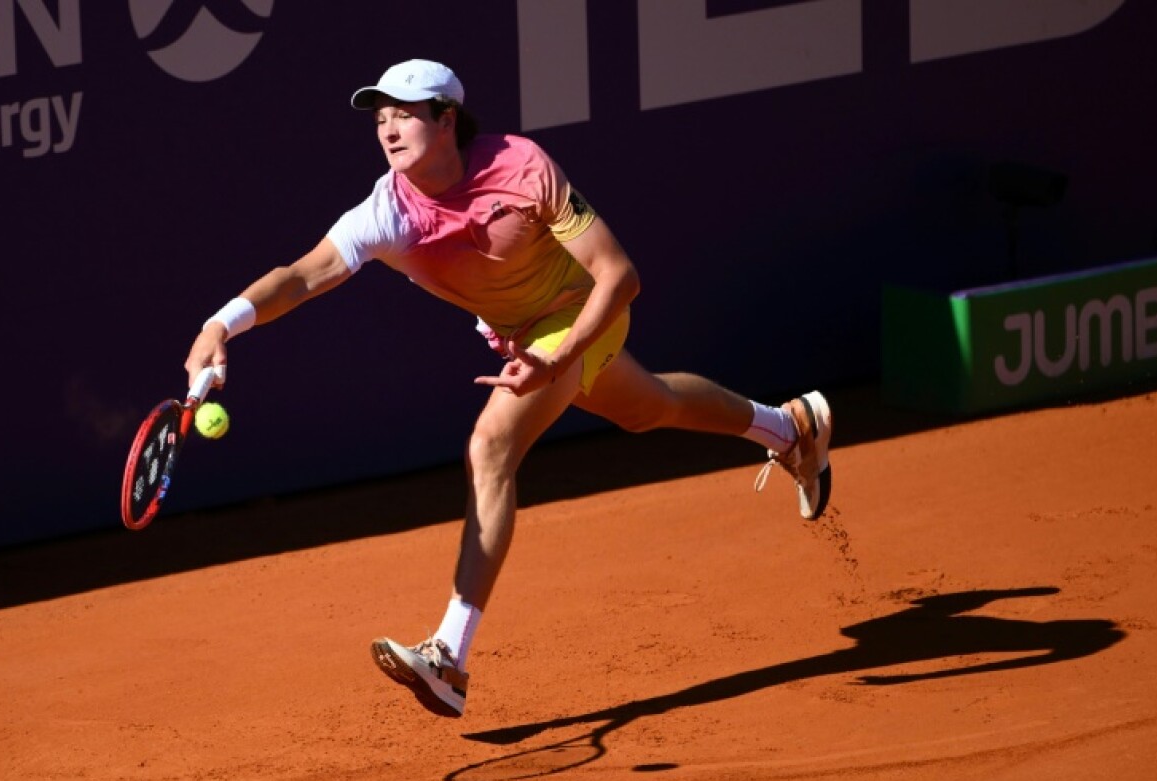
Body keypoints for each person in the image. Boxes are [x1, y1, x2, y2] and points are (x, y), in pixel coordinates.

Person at [184, 59, 833, 718]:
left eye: (404, 113)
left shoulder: (523, 169)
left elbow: (619, 276)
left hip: (583, 314)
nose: (387, 129)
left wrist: (560, 358)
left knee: (491, 447)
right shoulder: (389, 210)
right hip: (522, 341)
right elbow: (301, 276)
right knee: (649, 409)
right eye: (379, 117)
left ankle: (449, 658)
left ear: (446, 120)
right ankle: (791, 427)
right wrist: (221, 324)